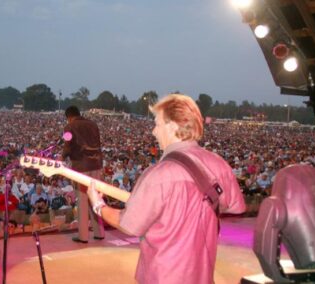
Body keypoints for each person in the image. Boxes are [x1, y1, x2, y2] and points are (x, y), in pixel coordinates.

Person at [88, 94, 246, 283]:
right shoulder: (219, 164)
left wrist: (98, 205)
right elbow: (235, 206)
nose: (154, 131)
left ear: (172, 126)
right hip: (202, 276)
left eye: (157, 123)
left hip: (162, 276)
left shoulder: (158, 175)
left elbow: (128, 225)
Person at [61, 105, 105, 243]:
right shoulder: (93, 125)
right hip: (96, 165)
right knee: (95, 199)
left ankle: (83, 236)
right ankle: (100, 232)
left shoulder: (69, 127)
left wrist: (61, 158)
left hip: (81, 166)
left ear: (69, 117)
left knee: (83, 201)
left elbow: (67, 145)